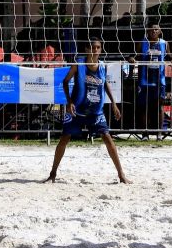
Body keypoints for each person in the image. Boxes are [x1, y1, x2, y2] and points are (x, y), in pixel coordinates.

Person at [44, 37, 130, 184]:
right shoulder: (79, 65)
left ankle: (121, 175)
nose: (95, 50)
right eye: (92, 47)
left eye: (97, 48)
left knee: (108, 138)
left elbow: (105, 84)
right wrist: (69, 102)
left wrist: (114, 103)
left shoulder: (102, 66)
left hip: (95, 112)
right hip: (76, 111)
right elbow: (65, 82)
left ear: (100, 50)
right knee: (64, 139)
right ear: (86, 49)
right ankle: (53, 173)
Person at [128, 24, 172, 138]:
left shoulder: (164, 43)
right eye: (151, 29)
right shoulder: (142, 42)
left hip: (159, 80)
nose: (153, 31)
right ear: (147, 31)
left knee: (159, 106)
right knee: (143, 107)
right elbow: (134, 55)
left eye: (156, 29)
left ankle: (159, 133)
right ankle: (145, 134)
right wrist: (131, 58)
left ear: (160, 31)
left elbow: (169, 55)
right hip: (144, 79)